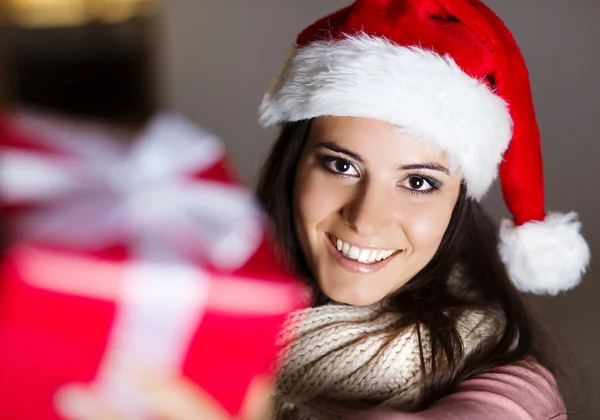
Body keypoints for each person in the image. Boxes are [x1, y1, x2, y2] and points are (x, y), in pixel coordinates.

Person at [256, 0, 591, 419]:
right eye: (341, 166)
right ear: (294, 166)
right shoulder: (190, 301)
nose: (365, 219)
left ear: (458, 202)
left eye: (418, 182)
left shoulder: (502, 378)